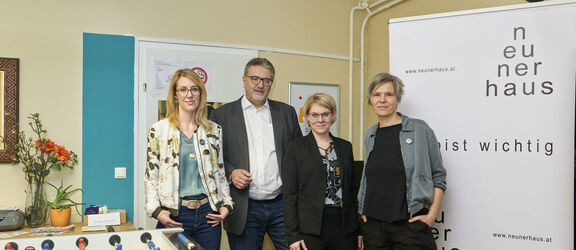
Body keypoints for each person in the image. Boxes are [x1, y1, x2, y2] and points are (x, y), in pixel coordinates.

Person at [211, 57, 302, 250]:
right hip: (244, 208)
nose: (260, 85)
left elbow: (298, 156)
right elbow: (212, 158)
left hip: (282, 206)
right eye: (255, 79)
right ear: (244, 80)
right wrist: (231, 172)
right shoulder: (222, 115)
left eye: (266, 80)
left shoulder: (287, 113)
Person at [145, 69, 233, 250]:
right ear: (175, 95)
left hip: (209, 216)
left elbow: (220, 173)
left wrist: (226, 204)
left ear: (201, 94)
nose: (189, 95)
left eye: (195, 89)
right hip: (174, 215)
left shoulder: (214, 131)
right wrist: (156, 211)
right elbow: (151, 177)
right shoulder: (159, 130)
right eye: (183, 90)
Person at [357, 72, 447, 250]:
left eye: (388, 94)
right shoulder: (371, 134)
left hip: (410, 226)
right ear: (370, 100)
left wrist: (431, 215)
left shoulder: (420, 129)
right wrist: (362, 212)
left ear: (397, 98)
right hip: (374, 228)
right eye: (377, 95)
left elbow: (438, 176)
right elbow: (369, 178)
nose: (382, 100)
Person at [282, 93, 361, 250]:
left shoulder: (345, 147)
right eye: (315, 115)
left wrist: (359, 230)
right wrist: (293, 236)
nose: (320, 120)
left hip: (345, 229)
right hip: (310, 231)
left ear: (333, 116)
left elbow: (352, 192)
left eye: (325, 114)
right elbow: (290, 196)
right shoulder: (296, 148)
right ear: (307, 118)